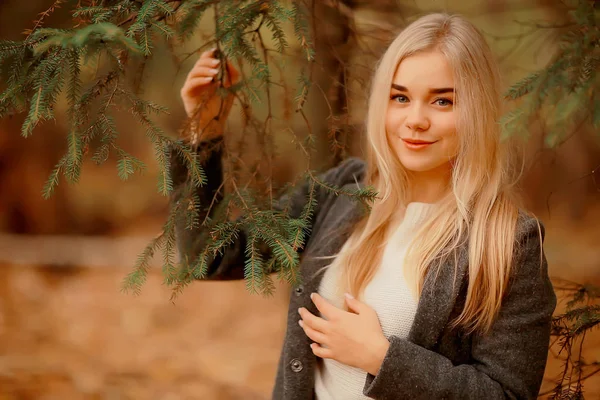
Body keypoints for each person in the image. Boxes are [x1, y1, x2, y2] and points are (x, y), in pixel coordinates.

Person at [171, 12, 557, 400]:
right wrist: (204, 131)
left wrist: (383, 358)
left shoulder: (509, 240)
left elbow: (507, 394)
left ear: (476, 109)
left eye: (442, 101)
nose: (415, 120)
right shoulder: (344, 189)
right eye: (400, 97)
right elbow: (208, 255)